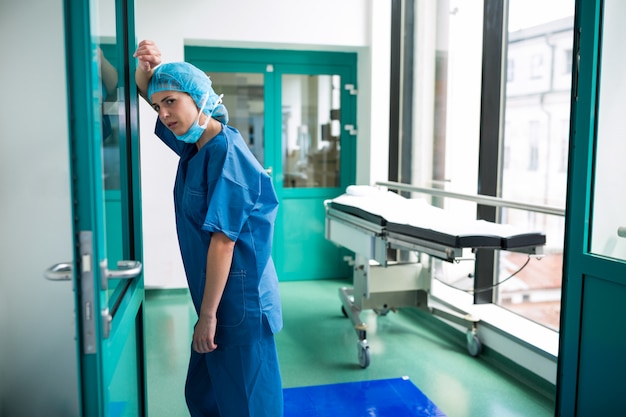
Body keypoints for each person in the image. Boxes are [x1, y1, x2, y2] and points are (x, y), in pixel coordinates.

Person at [133, 40, 284, 417]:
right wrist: (145, 74)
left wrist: (208, 316)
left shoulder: (229, 155)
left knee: (248, 401)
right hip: (215, 296)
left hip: (238, 301)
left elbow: (223, 241)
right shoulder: (195, 145)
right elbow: (155, 94)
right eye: (157, 106)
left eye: (171, 102)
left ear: (200, 98)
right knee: (205, 393)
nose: (164, 114)